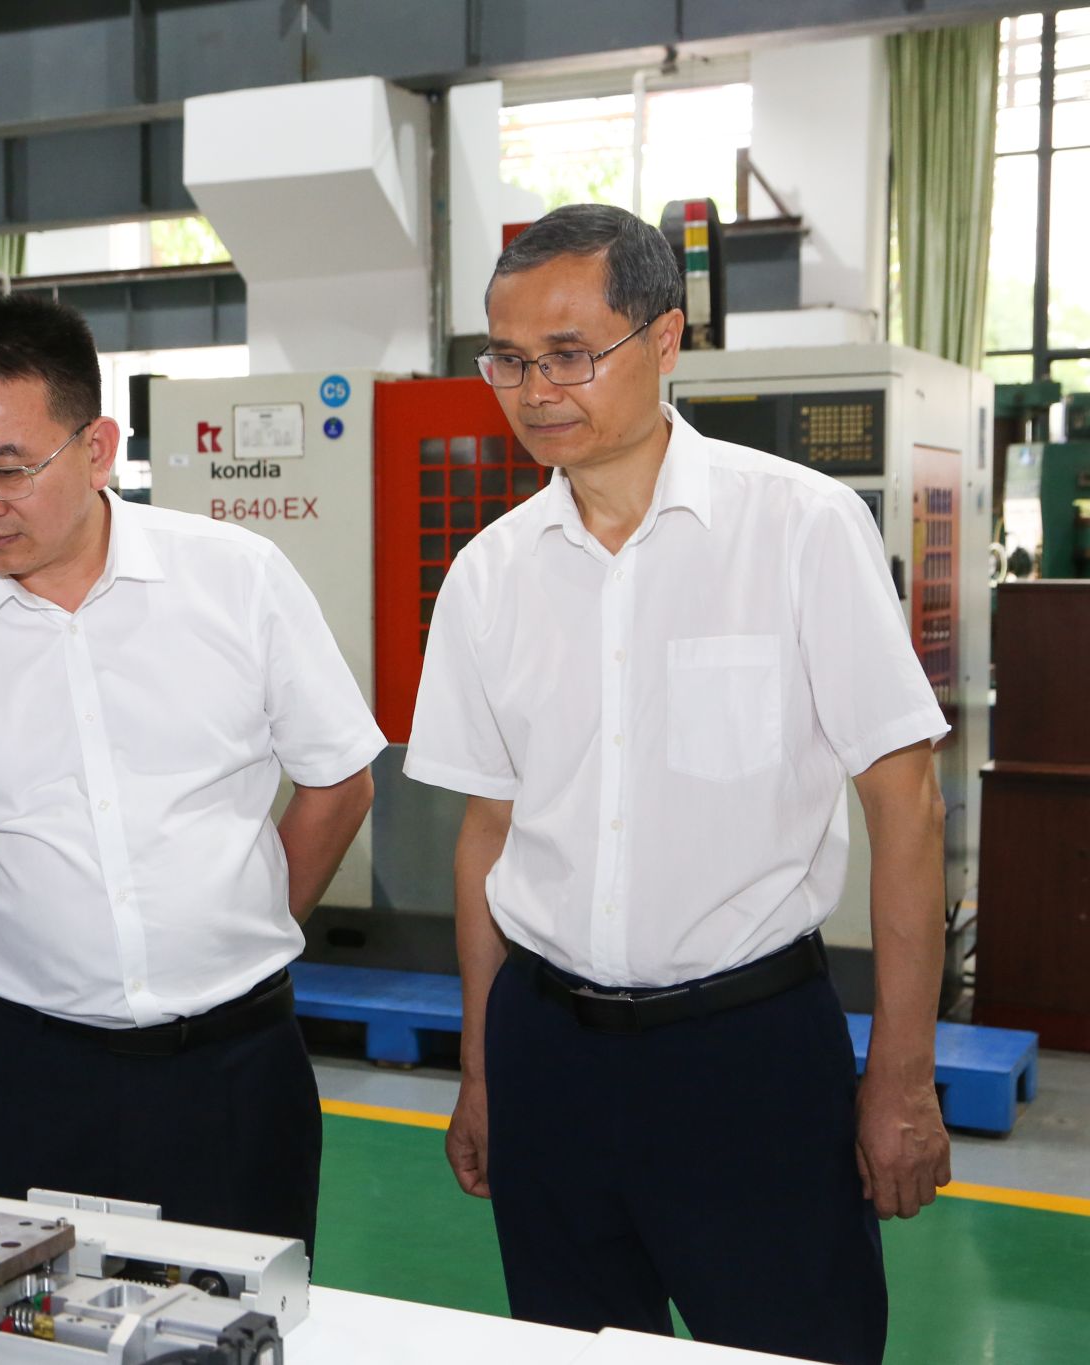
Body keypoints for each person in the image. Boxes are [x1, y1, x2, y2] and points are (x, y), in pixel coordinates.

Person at [407, 203, 950, 1365]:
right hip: (546, 1050)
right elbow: (486, 833)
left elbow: (903, 802)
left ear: (663, 341)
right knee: (568, 1347)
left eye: (568, 354)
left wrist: (901, 1080)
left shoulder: (796, 528)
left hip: (746, 1055)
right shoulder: (489, 576)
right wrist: (482, 1072)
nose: (534, 390)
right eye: (507, 360)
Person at [0, 293, 384, 1252]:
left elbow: (338, 781)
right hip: (17, 1075)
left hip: (231, 1069)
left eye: (9, 469)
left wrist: (245, 924)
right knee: (9, 1313)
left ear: (98, 447)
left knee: (234, 1314)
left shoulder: (236, 578)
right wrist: (31, 946)